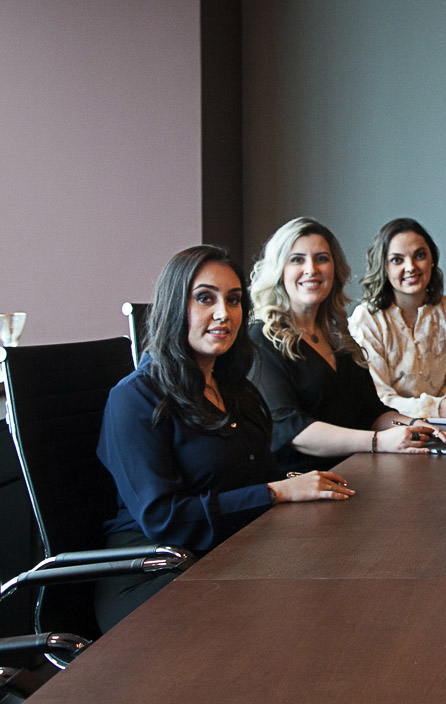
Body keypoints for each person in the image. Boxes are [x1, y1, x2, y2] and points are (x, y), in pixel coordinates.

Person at [96, 245, 355, 630]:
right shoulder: (135, 397)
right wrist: (276, 492)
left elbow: (253, 479)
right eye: (205, 298)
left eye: (233, 301)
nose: (224, 314)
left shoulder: (237, 390)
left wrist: (293, 488)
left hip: (231, 554)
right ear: (173, 307)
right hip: (154, 571)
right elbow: (165, 519)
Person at [248, 217, 446, 474]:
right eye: (297, 259)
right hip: (302, 483)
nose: (311, 269)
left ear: (335, 269)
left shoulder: (338, 334)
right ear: (278, 270)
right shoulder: (260, 340)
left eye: (322, 258)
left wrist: (416, 424)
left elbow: (373, 413)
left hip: (357, 472)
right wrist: (377, 442)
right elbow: (292, 430)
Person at [349, 218, 446, 420]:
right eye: (397, 260)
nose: (411, 267)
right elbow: (378, 398)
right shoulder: (367, 320)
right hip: (391, 432)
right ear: (383, 267)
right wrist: (436, 408)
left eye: (419, 255)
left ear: (432, 260)